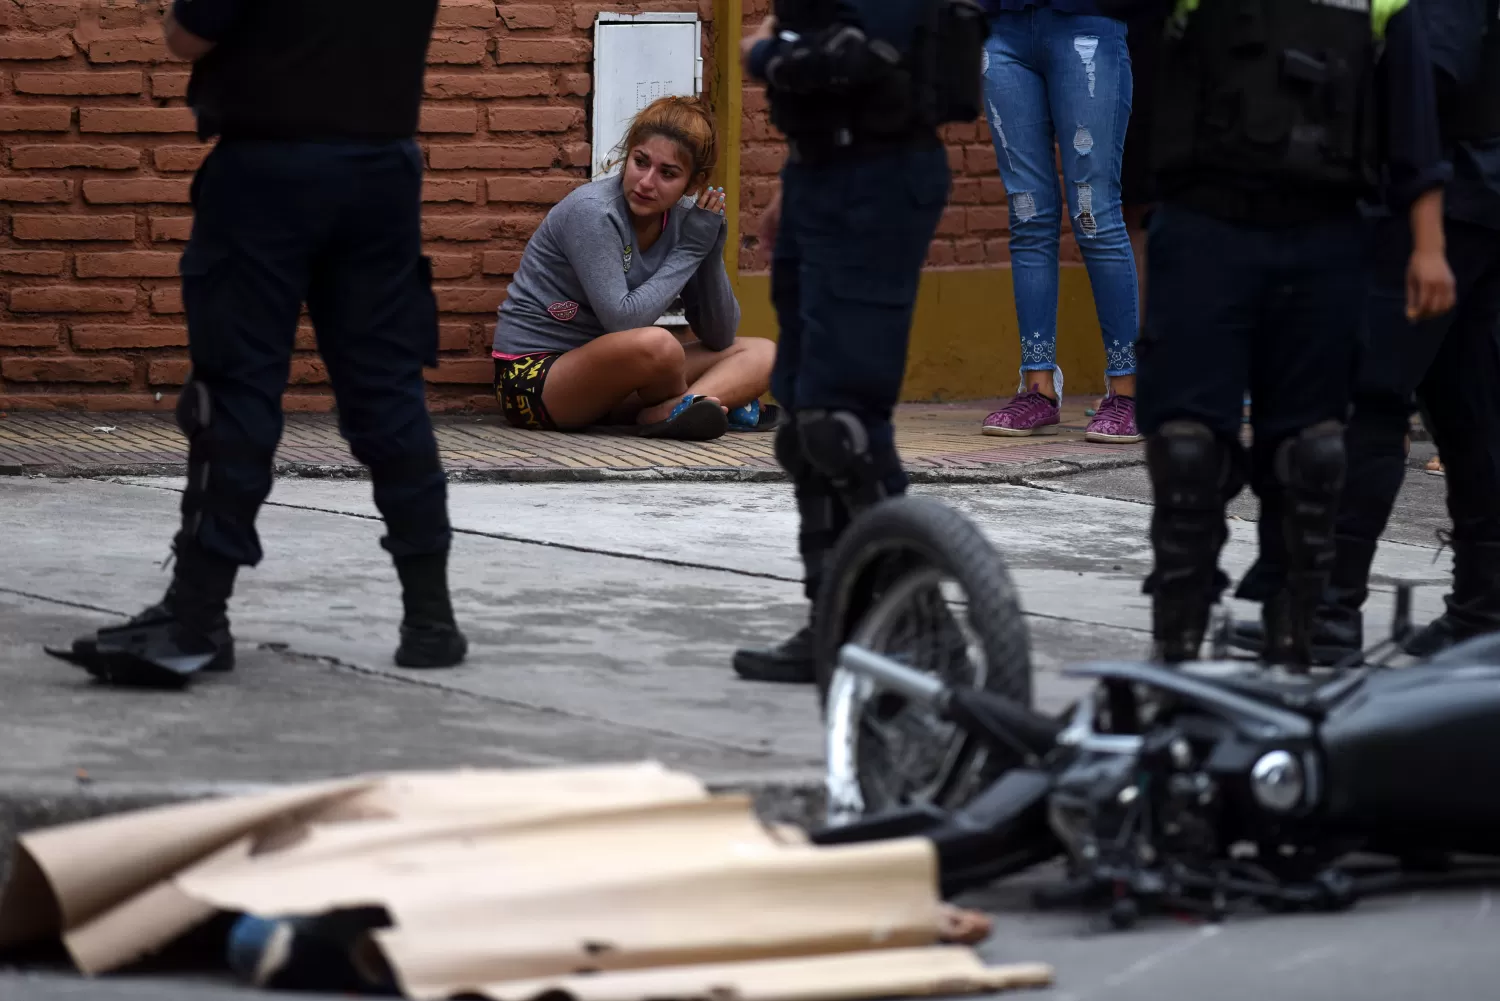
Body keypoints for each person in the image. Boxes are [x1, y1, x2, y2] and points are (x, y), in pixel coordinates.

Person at [46, 0, 468, 689]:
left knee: (236, 391)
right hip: (382, 174)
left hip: (269, 171)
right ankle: (430, 619)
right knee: (388, 389)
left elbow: (189, 35)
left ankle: (197, 615)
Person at [1106, 0, 1456, 668]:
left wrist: (1428, 244)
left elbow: (1413, 118)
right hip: (1205, 229)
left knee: (1313, 458)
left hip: (1324, 236)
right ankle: (1175, 650)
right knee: (1186, 453)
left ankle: (1291, 644)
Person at [1228, 0, 1500, 663]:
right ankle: (1484, 613)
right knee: (1474, 408)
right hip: (1481, 195)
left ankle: (1324, 613)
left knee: (1366, 402)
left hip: (1429, 198)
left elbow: (1435, 70)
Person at [729, 0, 984, 682]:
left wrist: (766, 54)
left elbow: (854, 58)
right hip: (819, 175)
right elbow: (815, 52)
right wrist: (796, 170)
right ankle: (835, 624)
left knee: (844, 424)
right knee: (806, 421)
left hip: (879, 180)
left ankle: (930, 634)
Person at [491, 97, 777, 442]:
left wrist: (709, 252)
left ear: (693, 183)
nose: (645, 182)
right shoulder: (594, 212)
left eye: (667, 173)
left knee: (764, 352)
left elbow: (719, 336)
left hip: (618, 382)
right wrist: (689, 250)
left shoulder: (685, 221)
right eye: (640, 162)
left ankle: (673, 409)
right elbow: (622, 321)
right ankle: (693, 405)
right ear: (629, 154)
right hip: (533, 381)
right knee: (659, 344)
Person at [975, 0, 1141, 444]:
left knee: (1093, 214)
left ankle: (1129, 391)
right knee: (1027, 215)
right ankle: (1037, 388)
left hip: (1085, 21)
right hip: (1002, 27)